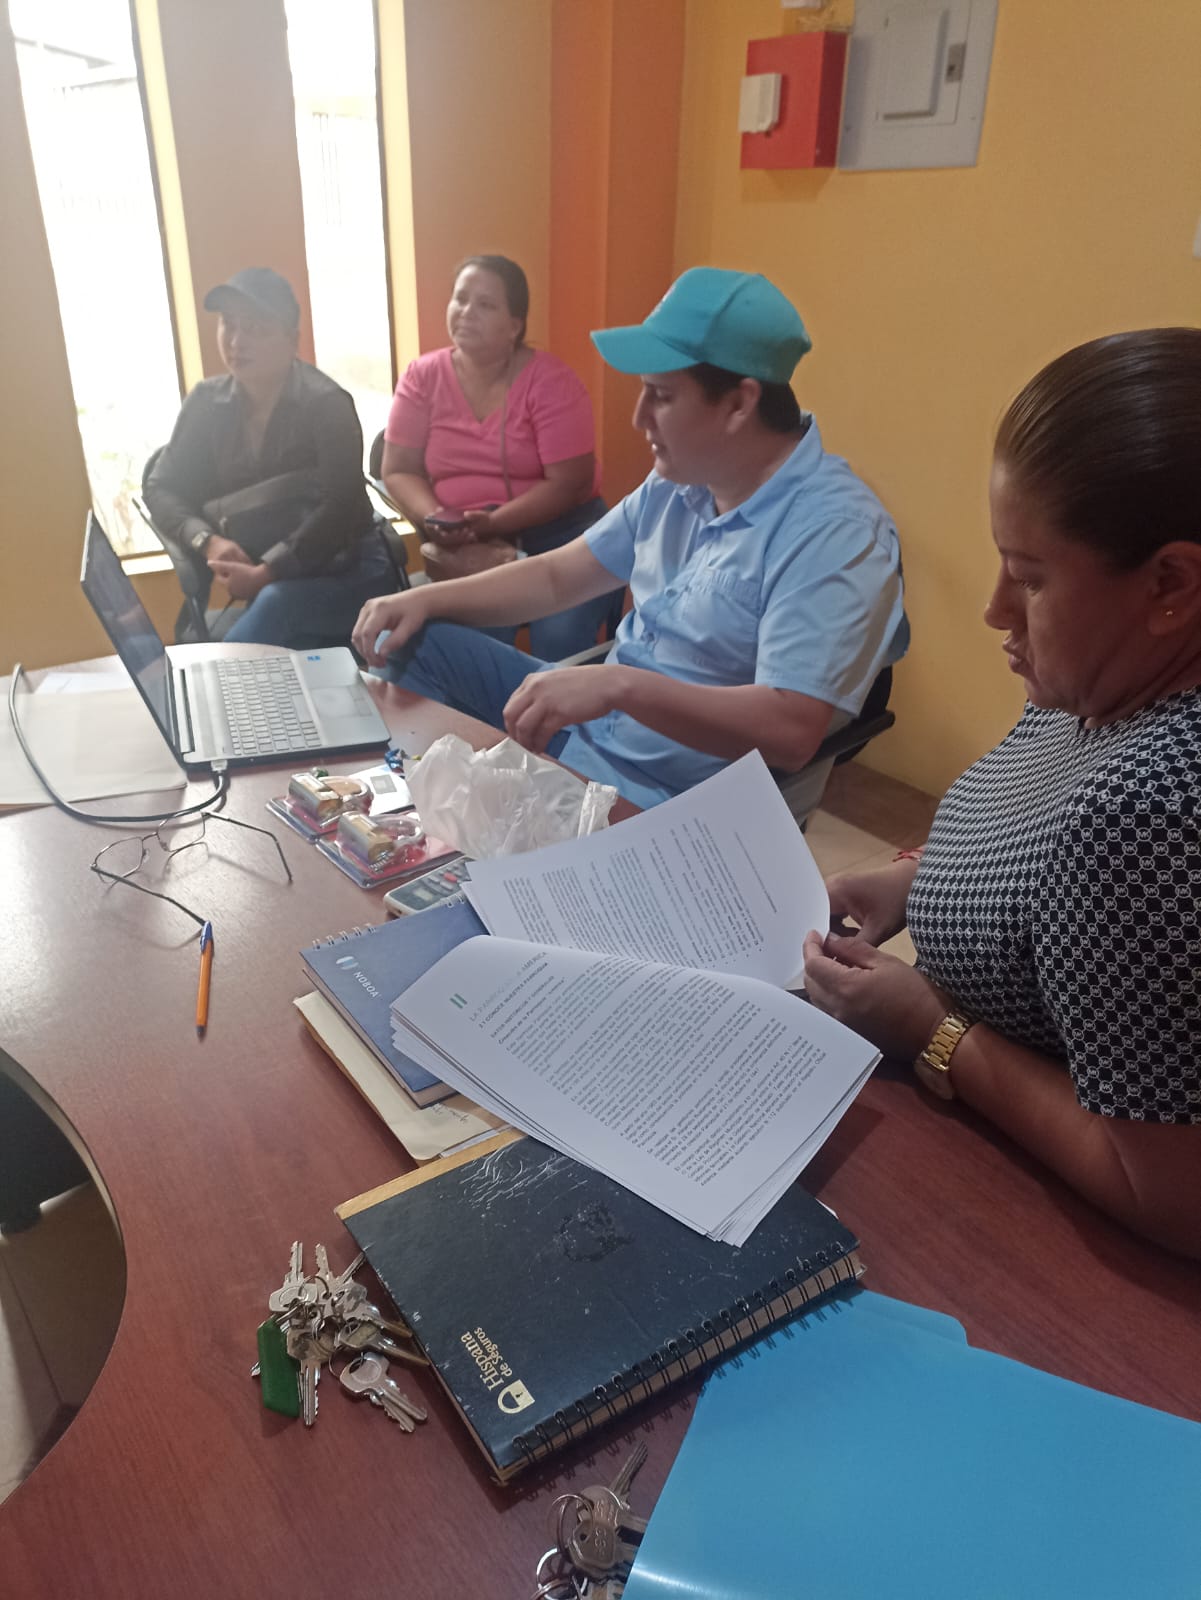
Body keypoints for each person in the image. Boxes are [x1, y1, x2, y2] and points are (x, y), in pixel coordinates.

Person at [802, 328, 1201, 1260]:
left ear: (1169, 584)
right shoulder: (1105, 684)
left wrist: (933, 1031)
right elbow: (1039, 822)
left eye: (1028, 578)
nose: (992, 609)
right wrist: (914, 881)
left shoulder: (1151, 813)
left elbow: (1172, 1195)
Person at [354, 267, 909, 814]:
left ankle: (462, 827)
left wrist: (618, 686)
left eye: (660, 396)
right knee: (415, 638)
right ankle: (409, 816)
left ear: (740, 404)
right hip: (589, 732)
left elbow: (790, 730)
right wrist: (422, 599)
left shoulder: (835, 531)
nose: (639, 418)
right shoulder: (681, 482)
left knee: (472, 817)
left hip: (660, 795)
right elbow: (556, 577)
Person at [381, 253, 620, 659]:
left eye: (486, 304)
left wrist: (493, 522)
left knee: (557, 638)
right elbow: (399, 469)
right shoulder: (422, 377)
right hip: (466, 540)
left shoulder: (552, 382)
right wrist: (436, 517)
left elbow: (570, 483)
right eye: (460, 299)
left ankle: (561, 703)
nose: (466, 312)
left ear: (514, 325)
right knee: (477, 643)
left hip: (562, 534)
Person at [144, 267, 392, 649]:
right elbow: (160, 487)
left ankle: (218, 681)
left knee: (272, 609)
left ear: (292, 340)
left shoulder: (327, 405)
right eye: (228, 325)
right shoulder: (206, 403)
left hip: (350, 571)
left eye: (256, 329)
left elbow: (340, 509)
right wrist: (208, 541)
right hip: (269, 580)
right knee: (272, 609)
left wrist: (267, 573)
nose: (237, 341)